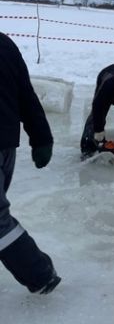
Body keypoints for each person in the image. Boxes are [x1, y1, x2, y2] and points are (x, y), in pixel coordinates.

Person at [0, 32, 61, 294]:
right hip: (5, 144)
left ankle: (39, 274)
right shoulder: (4, 43)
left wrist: (41, 138)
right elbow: (26, 93)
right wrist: (41, 137)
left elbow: (24, 92)